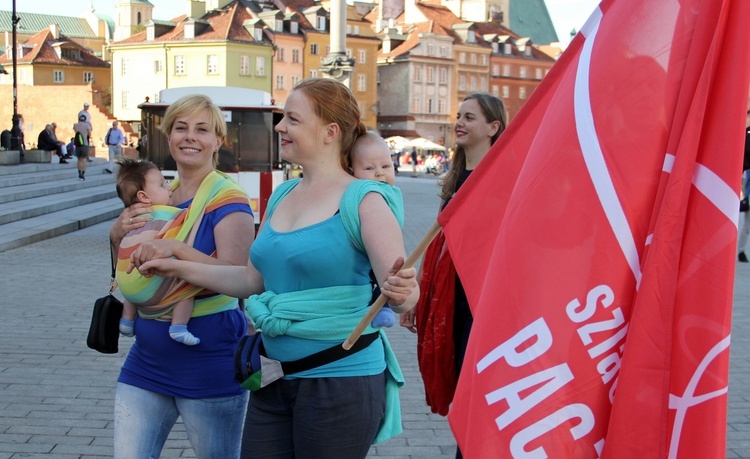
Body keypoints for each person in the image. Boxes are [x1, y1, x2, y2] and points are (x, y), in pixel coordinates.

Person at [132, 78, 419, 458]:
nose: (280, 126)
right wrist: (176, 266)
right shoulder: (282, 194)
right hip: (272, 374)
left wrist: (402, 292)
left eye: (292, 120)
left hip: (340, 380)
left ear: (330, 132)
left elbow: (403, 294)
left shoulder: (365, 200)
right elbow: (250, 280)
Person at [109, 94, 254, 458]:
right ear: (168, 136)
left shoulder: (228, 198)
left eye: (202, 129)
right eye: (181, 128)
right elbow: (126, 274)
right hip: (147, 358)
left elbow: (242, 277)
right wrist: (116, 237)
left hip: (208, 360)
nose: (190, 137)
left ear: (218, 141)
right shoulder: (161, 195)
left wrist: (177, 251)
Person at [400, 93, 506, 459]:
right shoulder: (457, 176)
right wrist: (419, 294)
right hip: (452, 297)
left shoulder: (502, 177)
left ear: (494, 128)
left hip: (483, 305)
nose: (459, 122)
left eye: (470, 117)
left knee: (475, 395)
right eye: (459, 115)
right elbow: (440, 242)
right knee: (461, 388)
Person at [114, 158, 201, 345]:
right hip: (148, 288)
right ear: (144, 197)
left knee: (133, 281)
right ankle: (178, 327)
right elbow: (192, 218)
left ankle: (127, 321)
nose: (169, 188)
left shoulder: (132, 219)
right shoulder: (168, 214)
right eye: (162, 185)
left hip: (127, 288)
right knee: (187, 284)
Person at [349, 131, 401, 328]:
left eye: (386, 166)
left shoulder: (389, 193)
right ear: (351, 171)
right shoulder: (358, 195)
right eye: (369, 168)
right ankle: (377, 306)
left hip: (384, 247)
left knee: (385, 274)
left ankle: (383, 306)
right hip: (362, 248)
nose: (380, 172)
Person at [73, 115, 92, 180]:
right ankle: (83, 174)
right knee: (84, 159)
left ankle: (79, 172)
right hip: (85, 144)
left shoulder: (75, 125)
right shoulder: (86, 125)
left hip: (78, 144)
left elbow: (75, 131)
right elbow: (89, 133)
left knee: (79, 159)